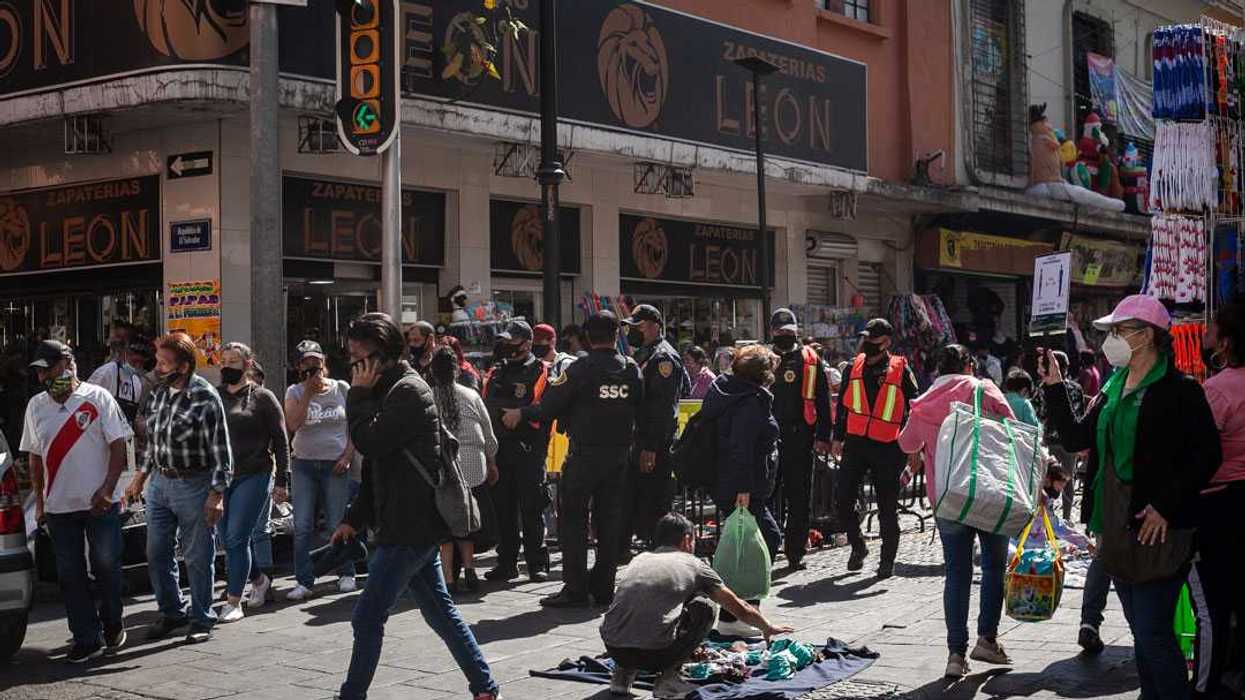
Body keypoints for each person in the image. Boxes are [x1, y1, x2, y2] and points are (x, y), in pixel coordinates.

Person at [1041, 295, 1220, 700]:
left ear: (1148, 337)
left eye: (1121, 331)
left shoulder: (1180, 391)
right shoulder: (1111, 387)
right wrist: (1054, 387)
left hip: (1160, 528)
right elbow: (1076, 437)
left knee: (1155, 632)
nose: (1113, 339)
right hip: (1112, 525)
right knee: (1142, 632)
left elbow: (1207, 455)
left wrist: (1166, 506)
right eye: (1112, 332)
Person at [332, 313, 498, 700]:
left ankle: (351, 695)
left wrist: (355, 397)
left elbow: (371, 443)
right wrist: (354, 518)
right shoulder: (384, 389)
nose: (354, 364)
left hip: (411, 525)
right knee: (441, 614)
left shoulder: (408, 391)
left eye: (360, 355)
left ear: (383, 354)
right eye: (350, 355)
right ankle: (486, 688)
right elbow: (379, 466)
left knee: (367, 616)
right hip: (407, 522)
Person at [505, 311, 644, 608]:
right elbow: (640, 406)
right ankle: (605, 587)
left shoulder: (581, 369)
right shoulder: (631, 369)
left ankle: (576, 588)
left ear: (588, 337)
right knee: (608, 522)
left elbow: (549, 407)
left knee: (573, 522)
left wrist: (521, 413)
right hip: (619, 456)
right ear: (617, 335)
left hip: (585, 457)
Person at [897, 344, 1016, 678]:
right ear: (969, 364)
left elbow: (906, 444)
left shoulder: (924, 404)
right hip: (988, 492)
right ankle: (987, 640)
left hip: (948, 499)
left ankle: (955, 654)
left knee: (957, 574)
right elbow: (1015, 429)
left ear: (937, 369)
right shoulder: (984, 390)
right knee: (994, 566)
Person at [601, 513, 793, 699]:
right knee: (706, 605)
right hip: (655, 654)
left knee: (640, 609)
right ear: (686, 540)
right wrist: (766, 627)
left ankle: (622, 676)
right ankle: (668, 679)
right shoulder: (694, 564)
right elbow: (739, 607)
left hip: (615, 649)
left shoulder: (639, 560)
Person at [22, 340, 132, 662]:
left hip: (100, 502)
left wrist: (109, 488)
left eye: (48, 369)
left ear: (66, 364)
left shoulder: (98, 398)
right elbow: (34, 456)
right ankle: (86, 636)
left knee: (106, 565)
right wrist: (40, 504)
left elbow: (118, 446)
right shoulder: (36, 406)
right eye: (39, 372)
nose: (43, 378)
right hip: (59, 507)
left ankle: (112, 620)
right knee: (70, 575)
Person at [123, 332, 232, 645]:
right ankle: (172, 611)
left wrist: (216, 494)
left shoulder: (205, 396)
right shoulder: (158, 392)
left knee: (198, 556)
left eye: (164, 362)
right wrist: (140, 476)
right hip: (159, 483)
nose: (157, 367)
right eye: (157, 361)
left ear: (183, 367)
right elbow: (154, 442)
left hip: (194, 485)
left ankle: (201, 618)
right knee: (156, 552)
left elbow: (221, 452)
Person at [700, 344, 783, 635]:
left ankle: (736, 613)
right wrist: (744, 488)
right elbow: (741, 447)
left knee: (747, 546)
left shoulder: (731, 391)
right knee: (764, 541)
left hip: (736, 483)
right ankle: (739, 613)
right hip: (741, 487)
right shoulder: (749, 400)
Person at [832, 319, 920, 579]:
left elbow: (916, 407)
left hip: (888, 446)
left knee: (887, 508)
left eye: (874, 340)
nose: (868, 344)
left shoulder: (900, 369)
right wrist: (838, 437)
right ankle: (858, 546)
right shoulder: (852, 367)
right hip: (856, 443)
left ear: (887, 343)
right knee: (843, 499)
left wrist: (914, 445)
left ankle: (886, 561)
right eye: (866, 339)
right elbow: (844, 409)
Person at [1191, 301, 1245, 698]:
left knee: (1213, 606)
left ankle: (1208, 688)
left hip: (1220, 505)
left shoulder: (1217, 390)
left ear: (1226, 342)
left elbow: (1199, 455)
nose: (1205, 332)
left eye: (1212, 328)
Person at [215, 343, 289, 623]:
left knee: (237, 537)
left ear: (247, 364)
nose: (227, 366)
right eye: (223, 361)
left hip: (255, 474)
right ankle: (259, 578)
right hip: (221, 477)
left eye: (233, 361)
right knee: (228, 539)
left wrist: (282, 480)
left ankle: (234, 600)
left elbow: (281, 442)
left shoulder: (263, 397)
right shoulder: (215, 396)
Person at [284, 340, 356, 600]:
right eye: (306, 362)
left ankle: (346, 572)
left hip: (334, 463)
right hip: (303, 463)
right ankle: (305, 579)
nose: (312, 366)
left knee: (338, 521)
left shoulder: (342, 389)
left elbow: (354, 427)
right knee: (303, 524)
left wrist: (347, 456)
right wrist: (307, 394)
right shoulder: (294, 392)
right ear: (298, 366)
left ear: (324, 362)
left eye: (316, 361)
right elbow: (292, 424)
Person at [481, 320, 552, 583]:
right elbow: (485, 404)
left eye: (513, 342)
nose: (508, 347)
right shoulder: (497, 371)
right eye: (506, 342)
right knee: (503, 509)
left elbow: (547, 407)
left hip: (529, 449)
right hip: (500, 449)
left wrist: (521, 414)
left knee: (532, 508)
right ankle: (507, 562)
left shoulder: (542, 370)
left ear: (527, 343)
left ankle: (537, 563)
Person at [428, 347, 499, 594]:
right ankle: (470, 569)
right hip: (473, 466)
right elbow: (489, 437)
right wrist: (491, 461)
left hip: (442, 469)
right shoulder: (471, 396)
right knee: (467, 520)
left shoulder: (427, 397)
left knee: (444, 526)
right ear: (457, 370)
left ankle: (448, 578)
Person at [766, 309, 833, 570]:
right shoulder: (762, 357)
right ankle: (768, 549)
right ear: (772, 332)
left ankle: (795, 552)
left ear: (796, 331)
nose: (785, 335)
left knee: (799, 495)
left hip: (800, 436)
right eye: (780, 331)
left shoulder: (809, 359)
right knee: (768, 494)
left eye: (789, 331)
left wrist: (824, 435)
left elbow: (822, 399)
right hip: (768, 436)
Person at [620, 305, 689, 553]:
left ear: (654, 326)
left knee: (654, 503)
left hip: (654, 444)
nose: (632, 331)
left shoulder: (663, 358)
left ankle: (660, 556)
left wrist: (651, 447)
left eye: (638, 326)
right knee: (635, 500)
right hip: (637, 438)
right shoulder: (644, 353)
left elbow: (662, 408)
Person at [1037, 350, 1084, 522]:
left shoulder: (1043, 387)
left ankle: (1050, 518)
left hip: (1050, 439)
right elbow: (1081, 413)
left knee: (1048, 478)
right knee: (1068, 478)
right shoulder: (1076, 388)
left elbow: (1040, 413)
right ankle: (1066, 517)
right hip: (1071, 440)